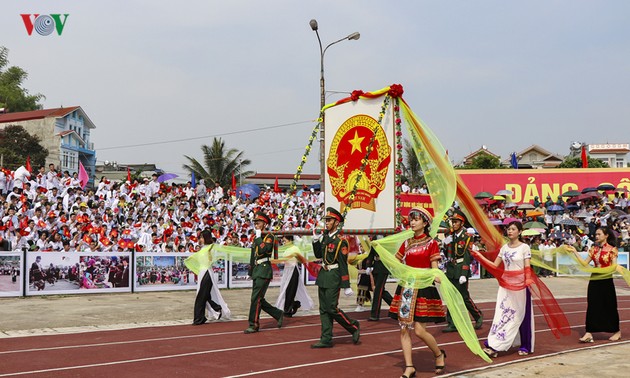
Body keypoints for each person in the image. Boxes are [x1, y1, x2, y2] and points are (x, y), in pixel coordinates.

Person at [388, 207, 446, 377]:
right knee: (404, 328)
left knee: (420, 331)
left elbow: (434, 268)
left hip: (424, 289)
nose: (412, 222)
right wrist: (381, 250)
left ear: (425, 222)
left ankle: (438, 354)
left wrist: (439, 277)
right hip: (407, 288)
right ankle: (409, 366)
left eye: (416, 219)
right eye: (411, 219)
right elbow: (396, 261)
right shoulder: (406, 242)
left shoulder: (431, 243)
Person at [471, 221, 535, 357]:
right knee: (502, 313)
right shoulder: (504, 248)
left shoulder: (524, 248)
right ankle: (494, 345)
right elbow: (495, 266)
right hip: (506, 285)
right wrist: (480, 257)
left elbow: (527, 267)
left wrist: (528, 279)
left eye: (513, 229)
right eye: (508, 229)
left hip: (521, 286)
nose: (510, 231)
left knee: (521, 316)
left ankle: (525, 345)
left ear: (520, 232)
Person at [310, 207, 360, 348]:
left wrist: (346, 284)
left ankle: (353, 326)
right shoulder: (326, 237)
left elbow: (343, 264)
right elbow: (319, 255)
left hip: (334, 276)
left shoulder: (341, 241)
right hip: (324, 275)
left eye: (329, 220)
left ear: (337, 222)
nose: (326, 222)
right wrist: (315, 241)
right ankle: (326, 338)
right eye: (326, 220)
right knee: (323, 309)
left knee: (332, 308)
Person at [569, 227, 622, 342]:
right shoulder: (594, 249)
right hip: (594, 280)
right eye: (596, 234)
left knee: (610, 306)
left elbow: (613, 267)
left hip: (606, 280)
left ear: (606, 235)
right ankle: (589, 332)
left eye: (599, 234)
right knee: (592, 305)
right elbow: (584, 263)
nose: (596, 236)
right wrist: (574, 252)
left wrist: (603, 271)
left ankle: (617, 331)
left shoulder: (612, 249)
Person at [442, 209, 483, 332]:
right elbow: (448, 254)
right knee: (450, 297)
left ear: (461, 223)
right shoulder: (451, 235)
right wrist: (445, 244)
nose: (453, 224)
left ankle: (477, 315)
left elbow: (466, 256)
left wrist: (464, 273)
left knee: (464, 297)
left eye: (455, 222)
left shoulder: (467, 237)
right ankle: (452, 322)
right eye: (452, 222)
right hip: (451, 269)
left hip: (460, 270)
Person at [244, 211, 284, 333]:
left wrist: (258, 238)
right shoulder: (258, 237)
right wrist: (250, 272)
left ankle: (253, 324)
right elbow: (253, 255)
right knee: (258, 298)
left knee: (256, 298)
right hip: (257, 270)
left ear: (265, 224)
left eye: (259, 222)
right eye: (255, 223)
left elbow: (264, 251)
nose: (256, 224)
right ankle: (278, 314)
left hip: (264, 269)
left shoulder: (269, 237)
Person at [193, 229, 230, 325]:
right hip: (202, 273)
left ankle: (199, 318)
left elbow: (211, 260)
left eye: (201, 237)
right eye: (200, 237)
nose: (200, 239)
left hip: (207, 273)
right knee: (204, 296)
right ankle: (217, 308)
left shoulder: (211, 248)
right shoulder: (202, 248)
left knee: (201, 296)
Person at [275, 235, 313, 317]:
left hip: (293, 270)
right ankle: (293, 304)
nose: (284, 243)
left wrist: (292, 257)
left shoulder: (295, 248)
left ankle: (288, 309)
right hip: (287, 270)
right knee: (285, 289)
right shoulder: (286, 249)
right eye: (283, 241)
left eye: (285, 241)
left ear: (290, 240)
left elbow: (300, 259)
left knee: (290, 289)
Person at [365, 237, 393, 321]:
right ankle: (395, 306)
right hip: (376, 267)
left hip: (383, 267)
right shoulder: (375, 239)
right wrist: (368, 265)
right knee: (381, 291)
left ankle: (375, 314)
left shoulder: (387, 239)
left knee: (378, 291)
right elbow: (371, 254)